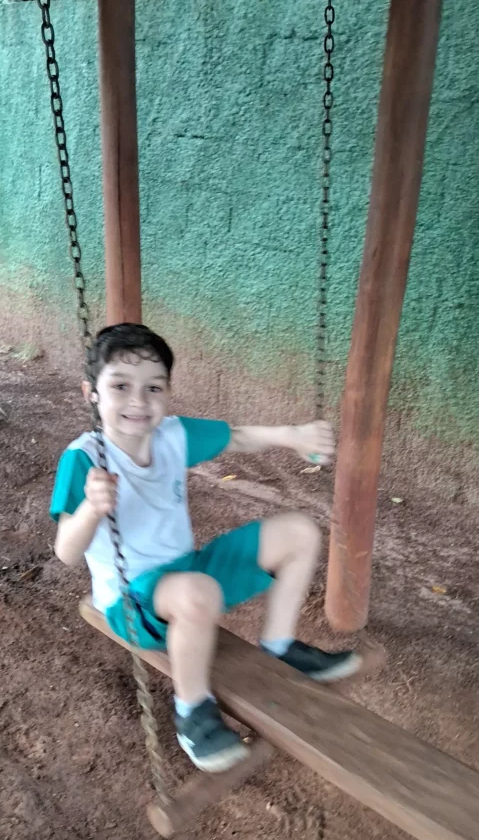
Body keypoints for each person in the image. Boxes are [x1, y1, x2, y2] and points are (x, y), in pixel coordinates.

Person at [50, 323, 362, 773]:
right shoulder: (82, 458)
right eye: (120, 386)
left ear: (168, 392)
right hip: (132, 600)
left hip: (189, 572)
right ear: (91, 393)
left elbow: (237, 436)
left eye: (153, 387)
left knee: (299, 532)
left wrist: (293, 436)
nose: (138, 401)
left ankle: (279, 645)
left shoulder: (172, 435)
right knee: (198, 592)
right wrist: (91, 510)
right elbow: (65, 552)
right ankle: (192, 711)